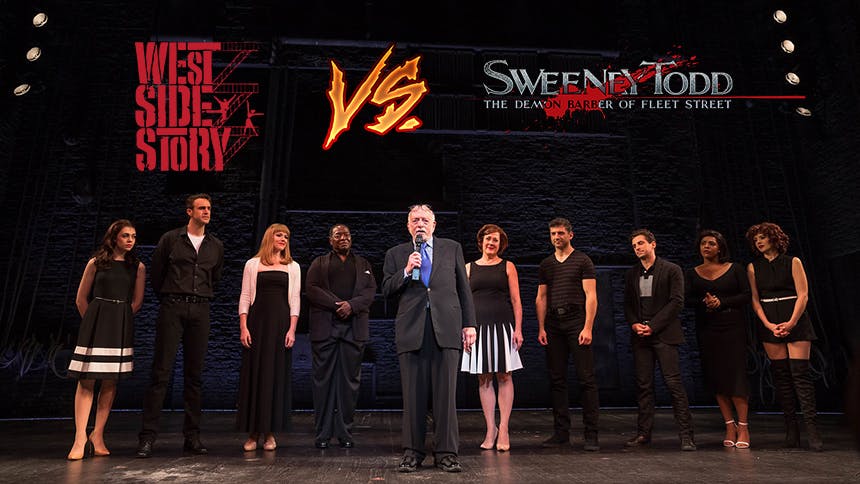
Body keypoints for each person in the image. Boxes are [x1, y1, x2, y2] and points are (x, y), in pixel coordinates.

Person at [382, 204, 477, 473]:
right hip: (411, 329)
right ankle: (412, 452)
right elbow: (386, 289)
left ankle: (446, 453)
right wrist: (405, 270)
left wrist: (470, 324)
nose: (420, 224)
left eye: (425, 220)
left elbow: (463, 288)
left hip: (446, 327)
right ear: (408, 226)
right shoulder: (396, 253)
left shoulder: (452, 248)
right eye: (415, 220)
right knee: (413, 395)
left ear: (434, 225)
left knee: (445, 395)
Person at [137, 194, 224, 458]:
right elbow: (157, 274)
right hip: (172, 306)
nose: (206, 212)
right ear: (189, 212)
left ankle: (192, 437)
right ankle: (147, 437)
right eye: (201, 208)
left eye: (209, 208)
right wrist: (170, 297)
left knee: (194, 375)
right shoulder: (171, 239)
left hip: (201, 309)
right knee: (161, 372)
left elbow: (215, 278)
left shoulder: (215, 245)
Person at [67, 220, 145, 460]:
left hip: (119, 325)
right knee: (87, 380)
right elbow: (81, 299)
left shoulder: (137, 267)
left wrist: (119, 320)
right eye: (125, 236)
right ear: (114, 238)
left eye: (133, 236)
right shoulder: (96, 263)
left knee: (110, 381)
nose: (130, 240)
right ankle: (80, 437)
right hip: (95, 324)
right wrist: (93, 322)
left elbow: (136, 302)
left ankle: (98, 435)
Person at [746, 222, 822, 451]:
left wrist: (792, 322)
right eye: (756, 239)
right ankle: (791, 430)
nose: (759, 242)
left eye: (762, 237)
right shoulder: (753, 267)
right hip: (770, 322)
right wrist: (768, 324)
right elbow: (755, 300)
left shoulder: (792, 262)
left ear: (773, 238)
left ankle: (812, 430)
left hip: (794, 320)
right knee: (781, 377)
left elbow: (803, 294)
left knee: (801, 376)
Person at [306, 224, 377, 449]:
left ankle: (345, 432)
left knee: (350, 383)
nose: (343, 238)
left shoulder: (363, 264)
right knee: (323, 382)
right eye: (338, 235)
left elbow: (370, 292)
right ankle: (322, 434)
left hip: (353, 329)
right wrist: (338, 305)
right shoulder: (319, 263)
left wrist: (351, 306)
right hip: (325, 329)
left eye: (346, 235)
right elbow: (312, 288)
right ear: (330, 240)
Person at [624, 229, 696, 451]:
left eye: (641, 243)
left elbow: (676, 302)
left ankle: (686, 435)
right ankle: (643, 434)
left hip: (664, 334)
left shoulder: (671, 269)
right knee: (644, 385)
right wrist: (634, 323)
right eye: (634, 245)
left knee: (673, 383)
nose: (637, 248)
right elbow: (628, 304)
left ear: (653, 244)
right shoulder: (632, 273)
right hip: (641, 337)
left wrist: (653, 326)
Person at [534, 218, 600, 451]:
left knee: (586, 379)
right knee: (557, 379)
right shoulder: (546, 264)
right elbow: (541, 297)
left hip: (576, 321)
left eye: (560, 233)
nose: (556, 237)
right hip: (553, 323)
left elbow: (591, 295)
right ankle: (561, 433)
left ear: (570, 235)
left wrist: (588, 327)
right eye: (553, 233)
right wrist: (541, 327)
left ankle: (591, 434)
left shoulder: (582, 260)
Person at [236, 223, 300, 451]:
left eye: (286, 236)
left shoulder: (293, 266)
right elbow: (245, 296)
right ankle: (253, 433)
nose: (283, 239)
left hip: (280, 325)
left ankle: (270, 433)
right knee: (255, 374)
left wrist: (292, 330)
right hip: (257, 324)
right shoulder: (252, 264)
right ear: (269, 237)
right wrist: (244, 327)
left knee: (274, 375)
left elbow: (295, 300)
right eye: (279, 235)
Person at [686, 230, 751, 448]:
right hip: (707, 328)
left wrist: (722, 302)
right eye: (703, 243)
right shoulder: (692, 273)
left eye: (711, 243)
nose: (706, 246)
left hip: (733, 327)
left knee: (736, 376)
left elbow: (746, 295)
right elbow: (686, 299)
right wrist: (704, 302)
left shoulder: (735, 269)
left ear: (720, 247)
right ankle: (729, 425)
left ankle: (744, 427)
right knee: (717, 377)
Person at [460, 224, 523, 452]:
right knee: (484, 378)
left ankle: (504, 428)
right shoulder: (469, 268)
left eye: (495, 240)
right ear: (481, 242)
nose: (491, 243)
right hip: (478, 329)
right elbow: (463, 302)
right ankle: (490, 429)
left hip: (503, 327)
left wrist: (518, 329)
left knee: (505, 375)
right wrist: (464, 327)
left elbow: (516, 300)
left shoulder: (508, 266)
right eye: (488, 239)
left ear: (500, 244)